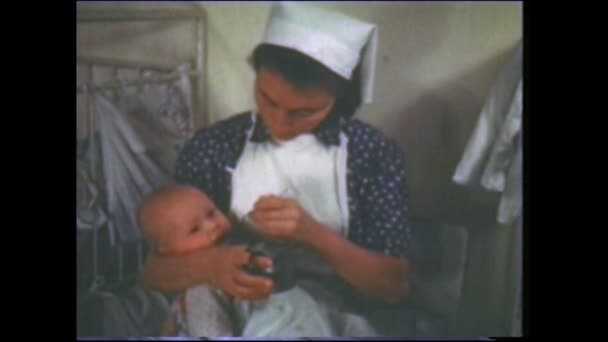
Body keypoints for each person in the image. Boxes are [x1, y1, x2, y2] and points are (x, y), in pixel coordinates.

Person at [141, 2, 412, 337]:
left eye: (304, 112)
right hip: (236, 310)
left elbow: (395, 286)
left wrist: (314, 235)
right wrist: (213, 267)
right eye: (267, 100)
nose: (280, 123)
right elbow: (153, 271)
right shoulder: (215, 146)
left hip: (331, 313)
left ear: (339, 99)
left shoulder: (372, 154)